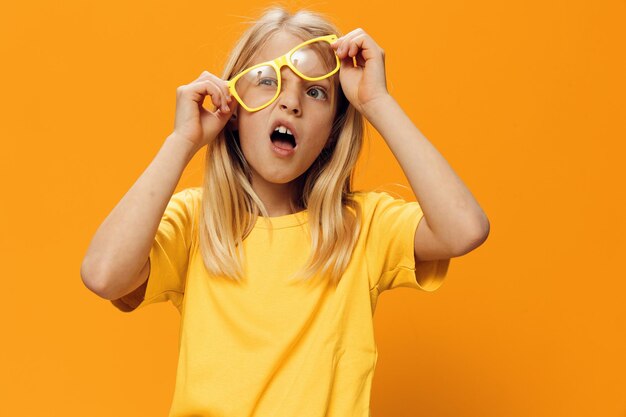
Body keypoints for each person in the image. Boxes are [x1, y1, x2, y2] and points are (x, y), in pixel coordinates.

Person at [80, 6, 489, 417]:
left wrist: (377, 101)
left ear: (332, 130)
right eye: (266, 81)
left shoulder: (363, 228)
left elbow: (464, 229)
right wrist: (181, 140)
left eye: (316, 92)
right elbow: (103, 275)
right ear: (233, 109)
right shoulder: (198, 222)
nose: (291, 102)